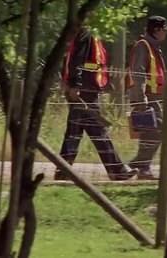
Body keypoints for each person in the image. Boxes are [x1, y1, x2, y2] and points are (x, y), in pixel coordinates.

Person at [55, 26, 131, 181]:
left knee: (76, 134)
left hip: (86, 90)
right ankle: (117, 171)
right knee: (95, 133)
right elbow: (77, 62)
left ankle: (63, 172)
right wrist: (76, 86)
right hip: (85, 92)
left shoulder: (86, 35)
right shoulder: (86, 35)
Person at [125, 15, 167, 180]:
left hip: (152, 96)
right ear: (156, 30)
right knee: (156, 131)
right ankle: (140, 166)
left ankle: (139, 166)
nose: (166, 33)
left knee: (151, 133)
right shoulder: (143, 46)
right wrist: (140, 99)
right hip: (146, 97)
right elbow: (138, 73)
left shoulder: (152, 46)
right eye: (164, 30)